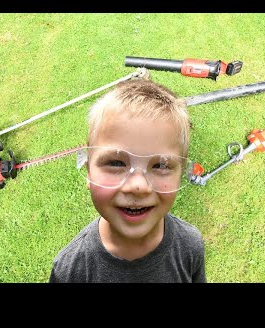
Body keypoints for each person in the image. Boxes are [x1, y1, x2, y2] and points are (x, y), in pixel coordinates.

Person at [49, 78, 206, 283]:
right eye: (115, 163)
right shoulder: (70, 271)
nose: (138, 186)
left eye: (160, 165)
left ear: (180, 174)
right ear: (88, 171)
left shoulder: (190, 245)